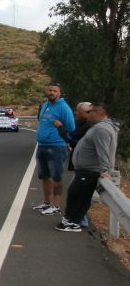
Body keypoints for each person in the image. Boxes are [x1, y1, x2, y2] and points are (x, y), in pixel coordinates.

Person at [56, 103, 119, 232]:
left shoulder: (101, 129)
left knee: (76, 196)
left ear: (98, 113)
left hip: (90, 171)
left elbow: (103, 151)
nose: (87, 115)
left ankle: (72, 221)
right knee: (80, 196)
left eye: (89, 112)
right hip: (86, 170)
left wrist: (104, 170)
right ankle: (73, 220)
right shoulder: (98, 127)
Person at [33, 83, 76, 216]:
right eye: (50, 90)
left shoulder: (64, 108)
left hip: (57, 146)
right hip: (42, 145)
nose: (52, 92)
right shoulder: (45, 105)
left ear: (60, 93)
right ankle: (47, 202)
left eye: (55, 91)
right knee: (44, 176)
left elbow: (71, 127)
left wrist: (67, 141)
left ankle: (56, 205)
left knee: (56, 176)